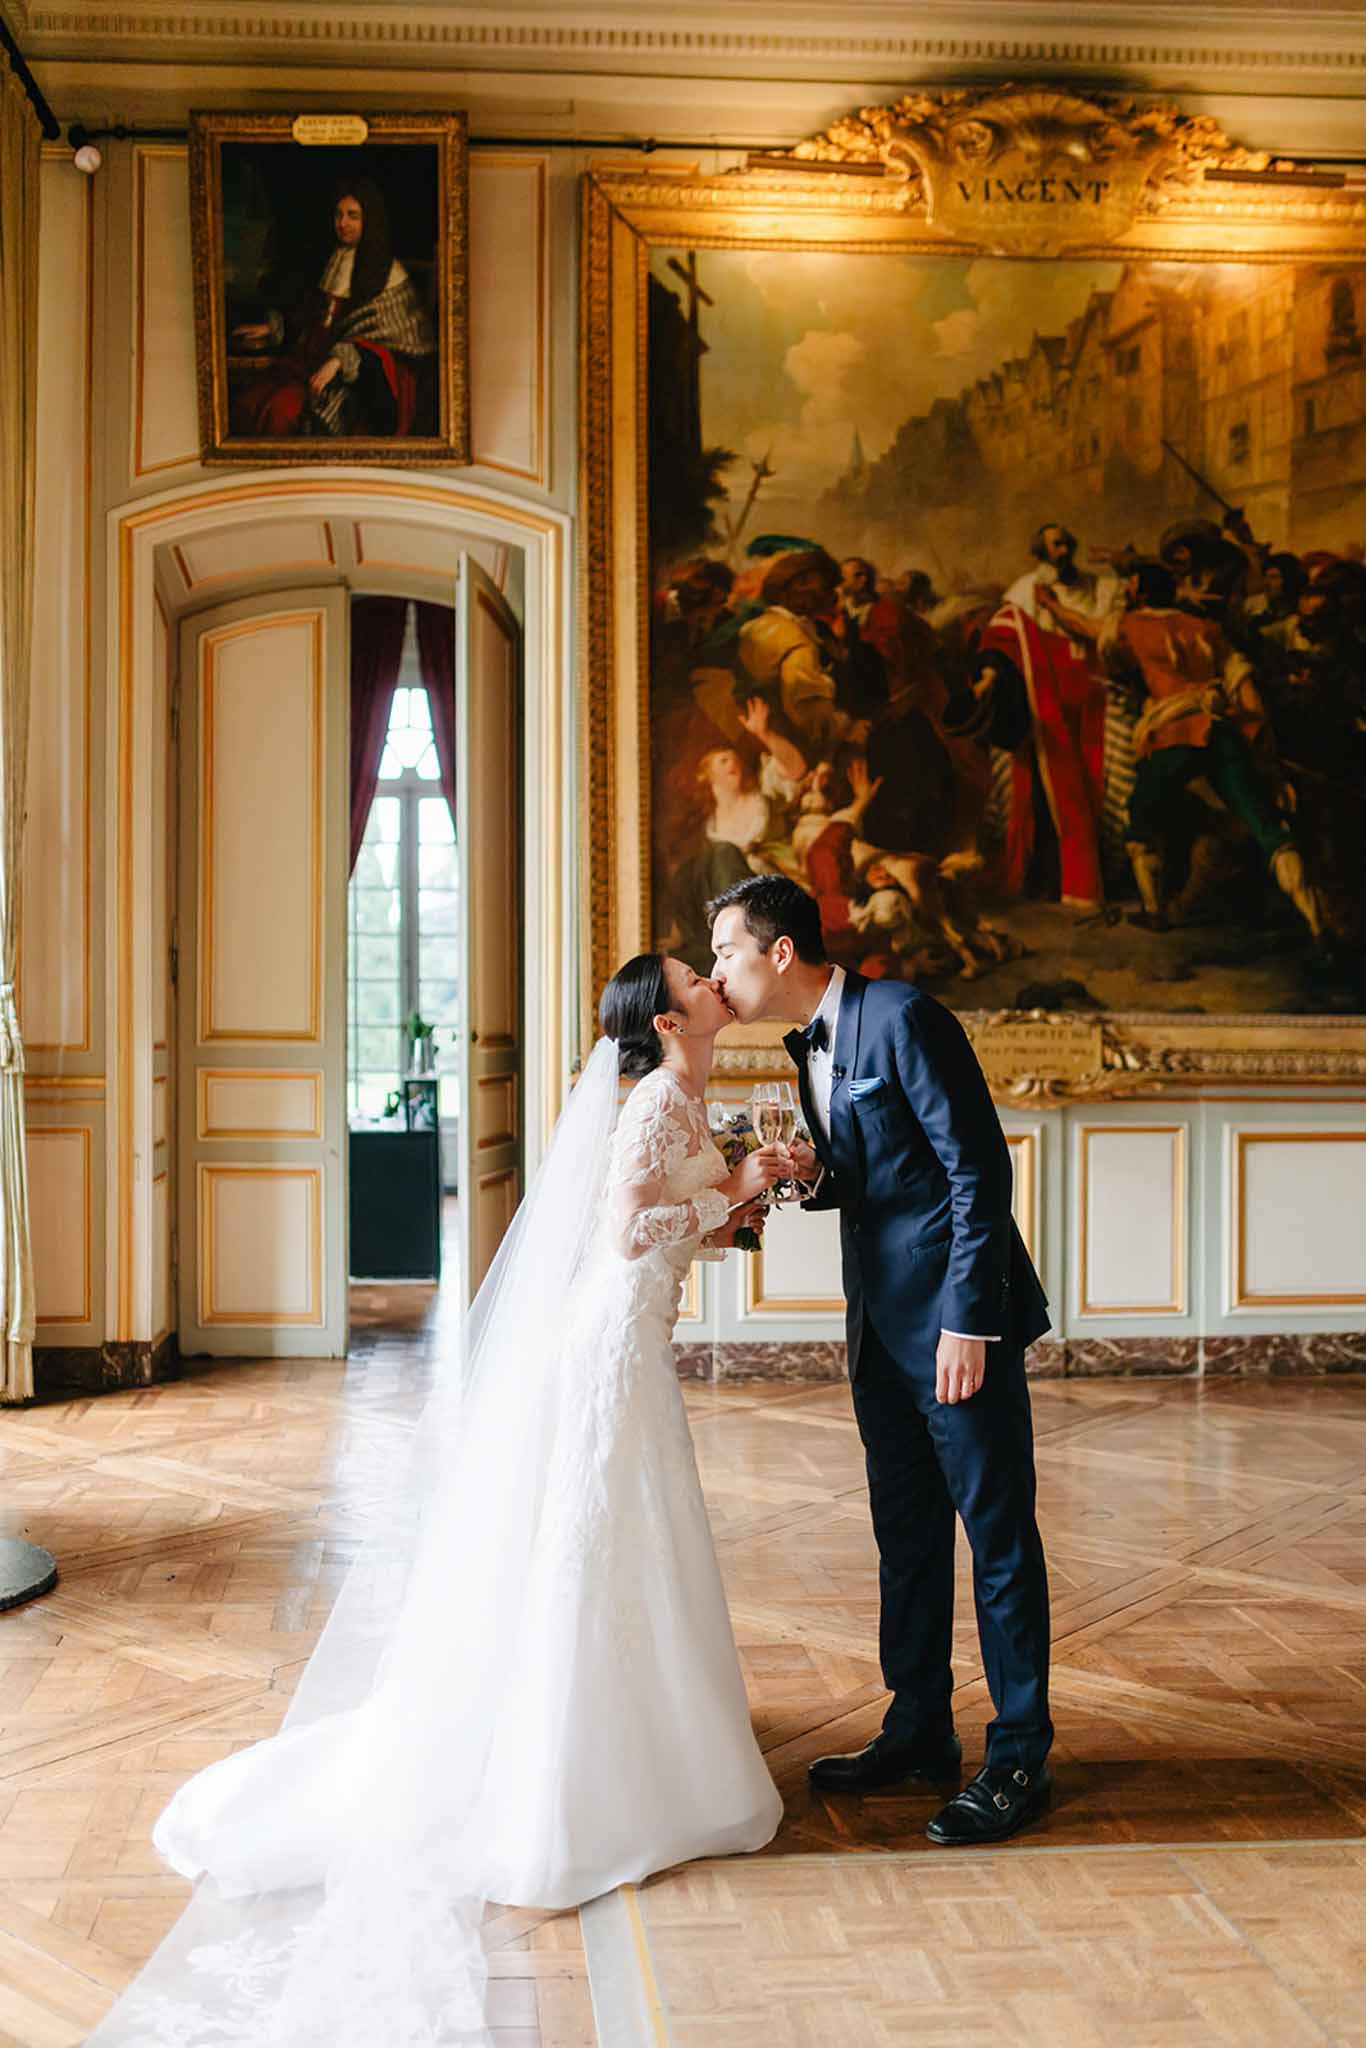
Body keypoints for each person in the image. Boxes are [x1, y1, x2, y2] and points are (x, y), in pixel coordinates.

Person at [86, 957, 790, 2048]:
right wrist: (741, 1189)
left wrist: (735, 1207)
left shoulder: (687, 1095)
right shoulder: (656, 1096)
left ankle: (636, 1732)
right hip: (611, 1342)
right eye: (700, 977)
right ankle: (577, 1771)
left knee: (627, 1540)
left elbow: (671, 1224)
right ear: (668, 1017)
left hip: (635, 1337)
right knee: (601, 1539)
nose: (714, 981)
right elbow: (622, 1231)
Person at [708, 873, 1054, 1847]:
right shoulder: (804, 1042)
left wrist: (967, 1321)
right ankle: (917, 1724)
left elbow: (976, 1166)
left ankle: (1020, 1749)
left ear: (779, 951)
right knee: (905, 1534)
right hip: (875, 1325)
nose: (719, 969)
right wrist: (817, 1175)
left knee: (995, 1534)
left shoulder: (903, 1014)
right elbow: (880, 1171)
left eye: (727, 949)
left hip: (953, 1325)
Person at [230, 176, 435, 440]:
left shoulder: (391, 275)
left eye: (353, 216)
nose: (343, 223)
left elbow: (405, 349)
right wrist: (272, 327)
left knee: (282, 414)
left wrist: (341, 359)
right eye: (338, 215)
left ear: (369, 220)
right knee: (249, 404)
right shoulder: (335, 259)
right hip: (309, 359)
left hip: (355, 378)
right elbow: (312, 317)